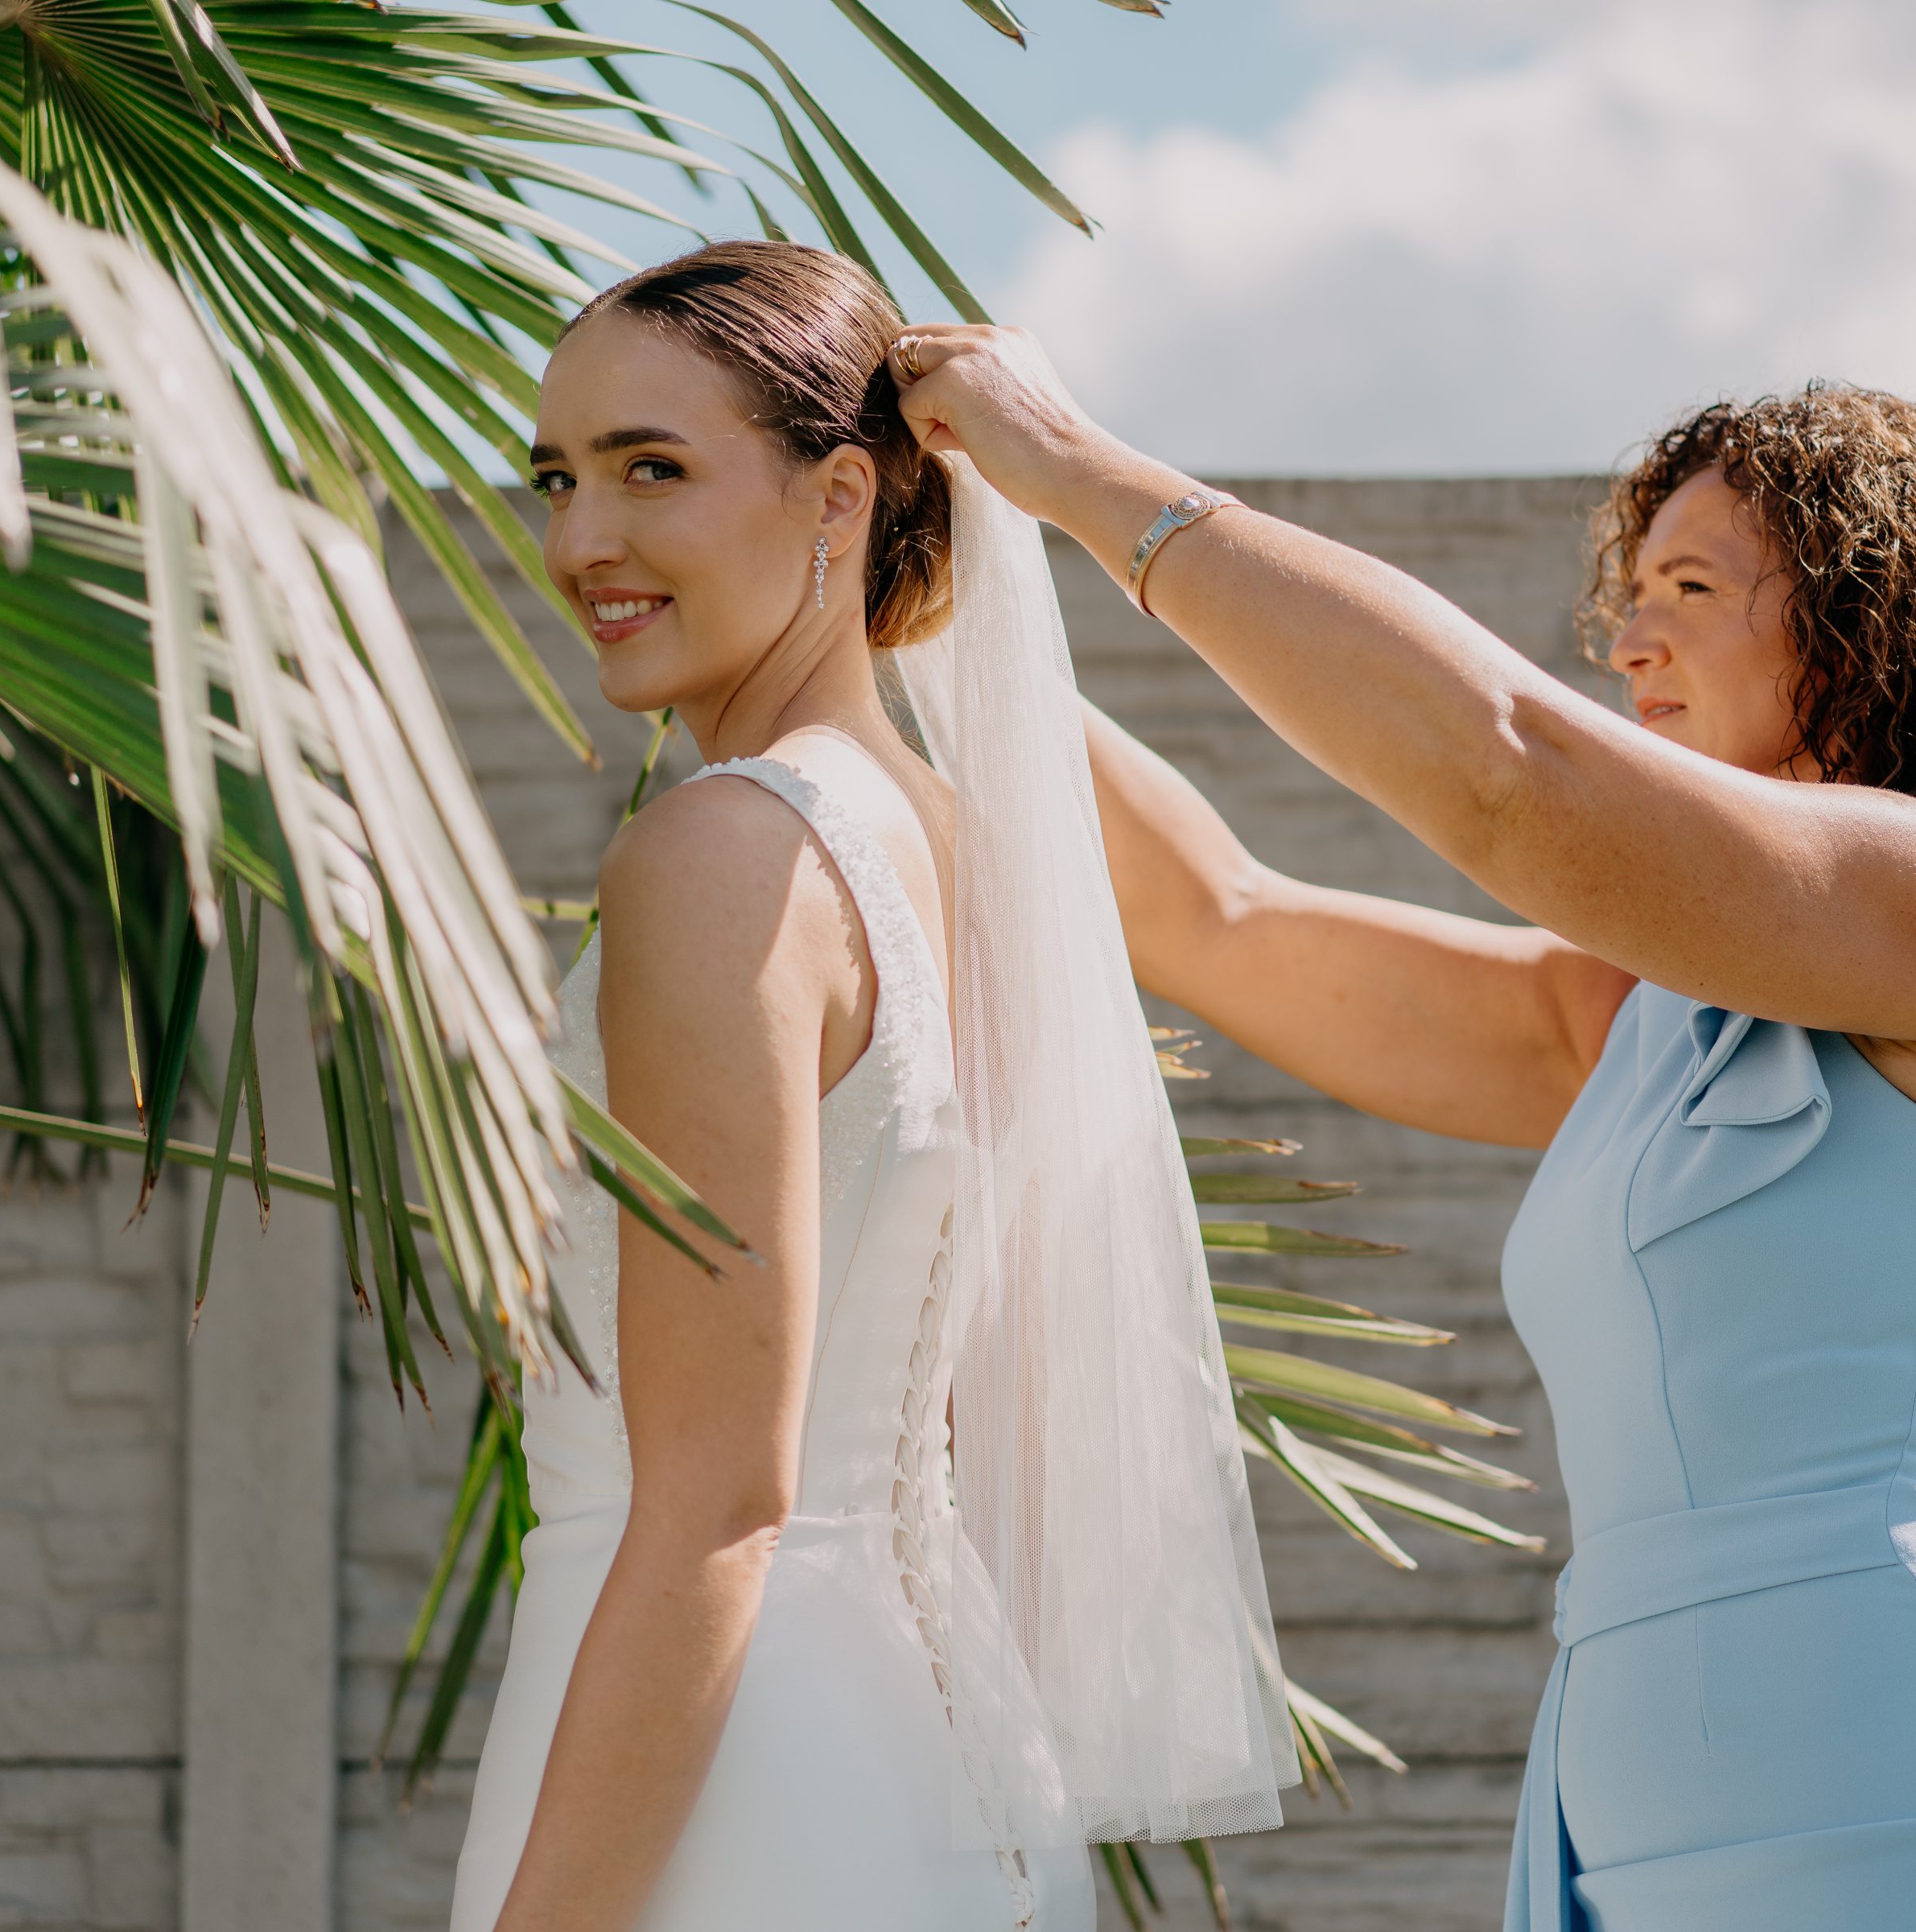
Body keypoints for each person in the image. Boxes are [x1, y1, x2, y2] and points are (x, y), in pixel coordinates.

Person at [890, 336, 1916, 1932]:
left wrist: (1077, 471)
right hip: (1639, 1842)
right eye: (1632, 591)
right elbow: (1217, 918)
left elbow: (1503, 771)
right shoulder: (1632, 1020)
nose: (1629, 636)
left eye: (1692, 589)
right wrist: (937, 611)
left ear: (1871, 621)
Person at [447, 243, 1294, 1932]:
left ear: (840, 495)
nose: (579, 540)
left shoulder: (717, 856)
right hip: (936, 1754)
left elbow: (720, 1504)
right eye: (556, 479)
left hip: (730, 1774)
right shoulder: (955, 848)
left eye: (650, 470)